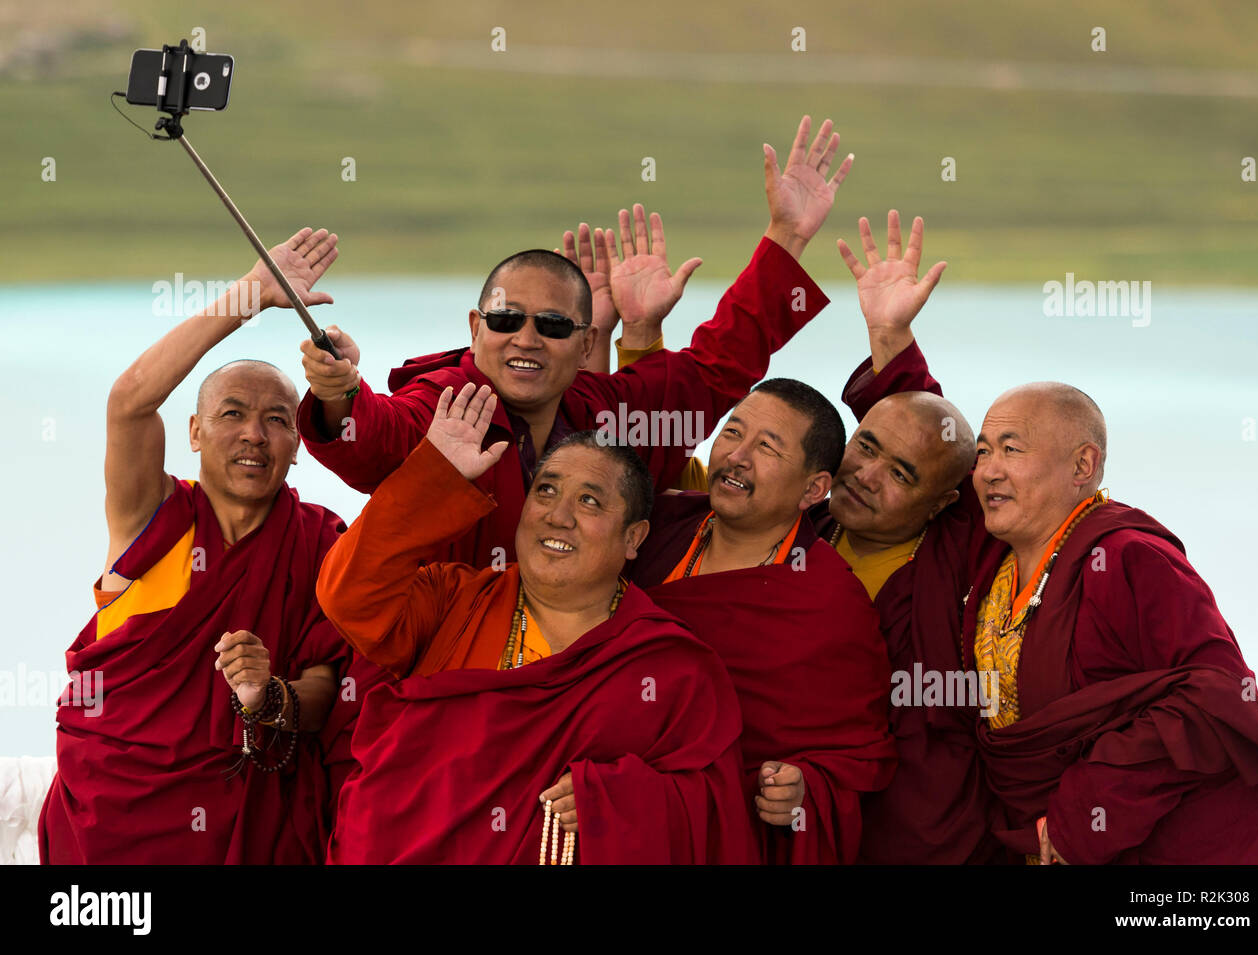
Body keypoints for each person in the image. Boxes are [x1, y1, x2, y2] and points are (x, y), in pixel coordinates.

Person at [296, 116, 853, 568]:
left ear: (585, 340)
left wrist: (787, 235)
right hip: (449, 671)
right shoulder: (448, 408)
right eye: (506, 319)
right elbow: (373, 435)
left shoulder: (611, 416)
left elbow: (716, 367)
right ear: (474, 327)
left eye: (554, 326)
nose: (527, 339)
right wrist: (339, 392)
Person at [40, 229, 388, 864]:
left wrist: (268, 696)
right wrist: (250, 294)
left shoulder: (319, 541)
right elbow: (129, 401)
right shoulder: (154, 514)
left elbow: (326, 687)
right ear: (195, 432)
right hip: (113, 817)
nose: (254, 435)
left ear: (298, 443)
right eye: (231, 414)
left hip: (246, 822)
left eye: (278, 420)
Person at [317, 383, 757, 863]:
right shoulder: (454, 600)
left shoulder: (668, 665)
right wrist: (432, 475)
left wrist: (616, 797)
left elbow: (714, 812)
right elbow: (349, 596)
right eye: (546, 490)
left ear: (634, 537)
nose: (558, 516)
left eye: (590, 501)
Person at [966, 381, 1258, 864]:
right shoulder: (990, 564)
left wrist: (1084, 813)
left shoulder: (1127, 558)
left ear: (1082, 465)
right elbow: (914, 464)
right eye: (982, 451)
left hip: (1207, 844)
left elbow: (1216, 695)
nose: (987, 471)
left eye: (1011, 449)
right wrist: (891, 337)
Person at [627, 378, 896, 864]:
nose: (737, 457)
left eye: (767, 447)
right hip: (608, 800)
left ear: (814, 489)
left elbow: (858, 757)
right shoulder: (654, 525)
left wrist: (802, 790)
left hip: (717, 829)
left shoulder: (828, 600)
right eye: (733, 432)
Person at [801, 209, 1000, 863]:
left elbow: (952, 453)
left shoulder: (959, 556)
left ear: (943, 502)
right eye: (866, 446)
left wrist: (895, 339)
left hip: (916, 824)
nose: (865, 476)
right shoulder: (797, 529)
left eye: (901, 475)